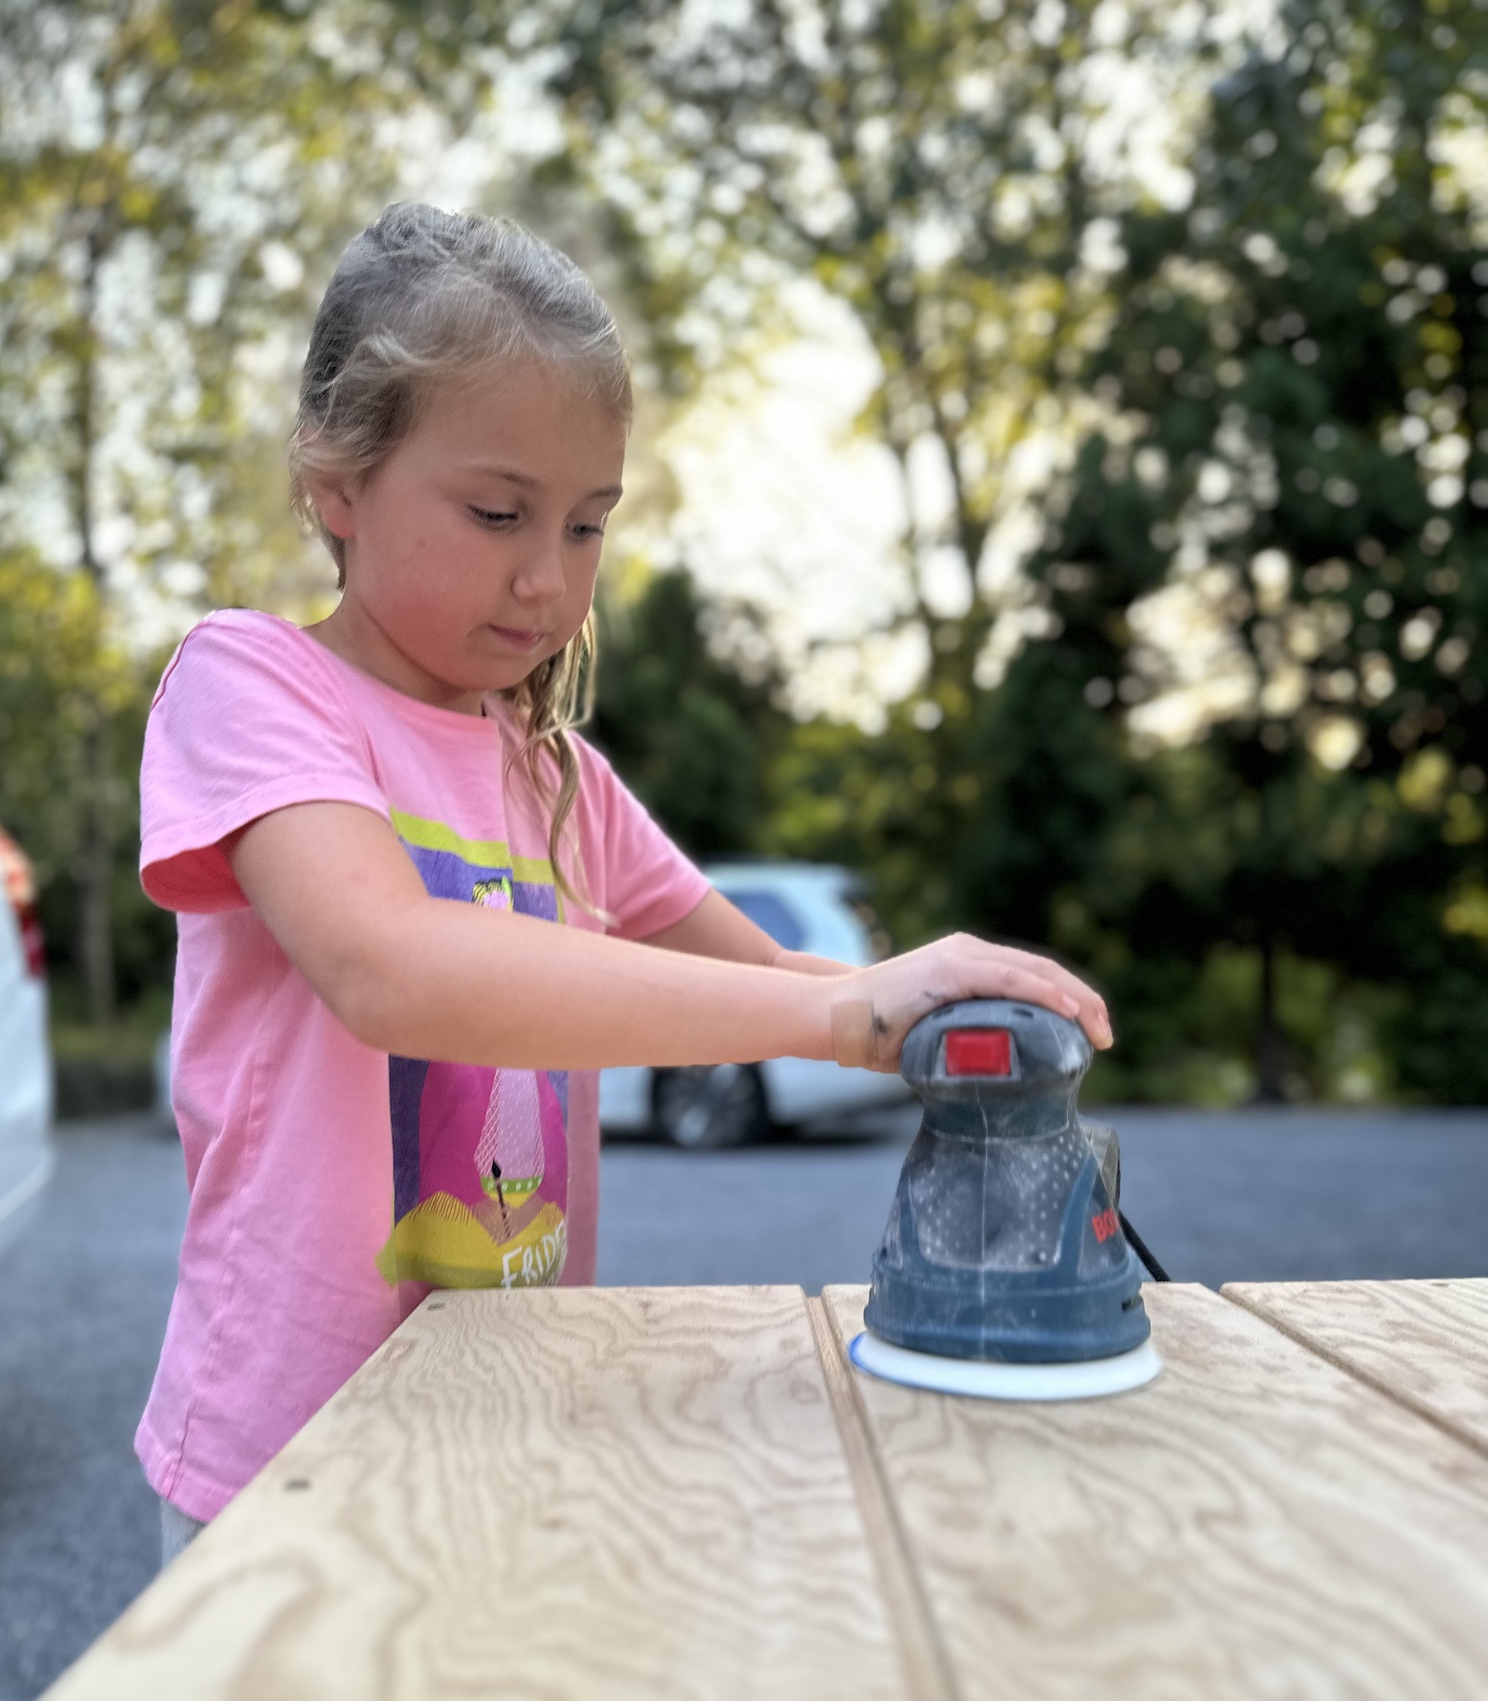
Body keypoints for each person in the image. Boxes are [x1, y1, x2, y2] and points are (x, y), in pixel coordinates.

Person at [139, 204, 1111, 1566]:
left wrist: (949, 1003)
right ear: (339, 480)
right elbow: (389, 968)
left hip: (522, 1415)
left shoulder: (560, 781)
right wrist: (836, 1021)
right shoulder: (254, 687)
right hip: (282, 1459)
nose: (550, 579)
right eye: (497, 514)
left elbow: (770, 982)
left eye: (589, 525)